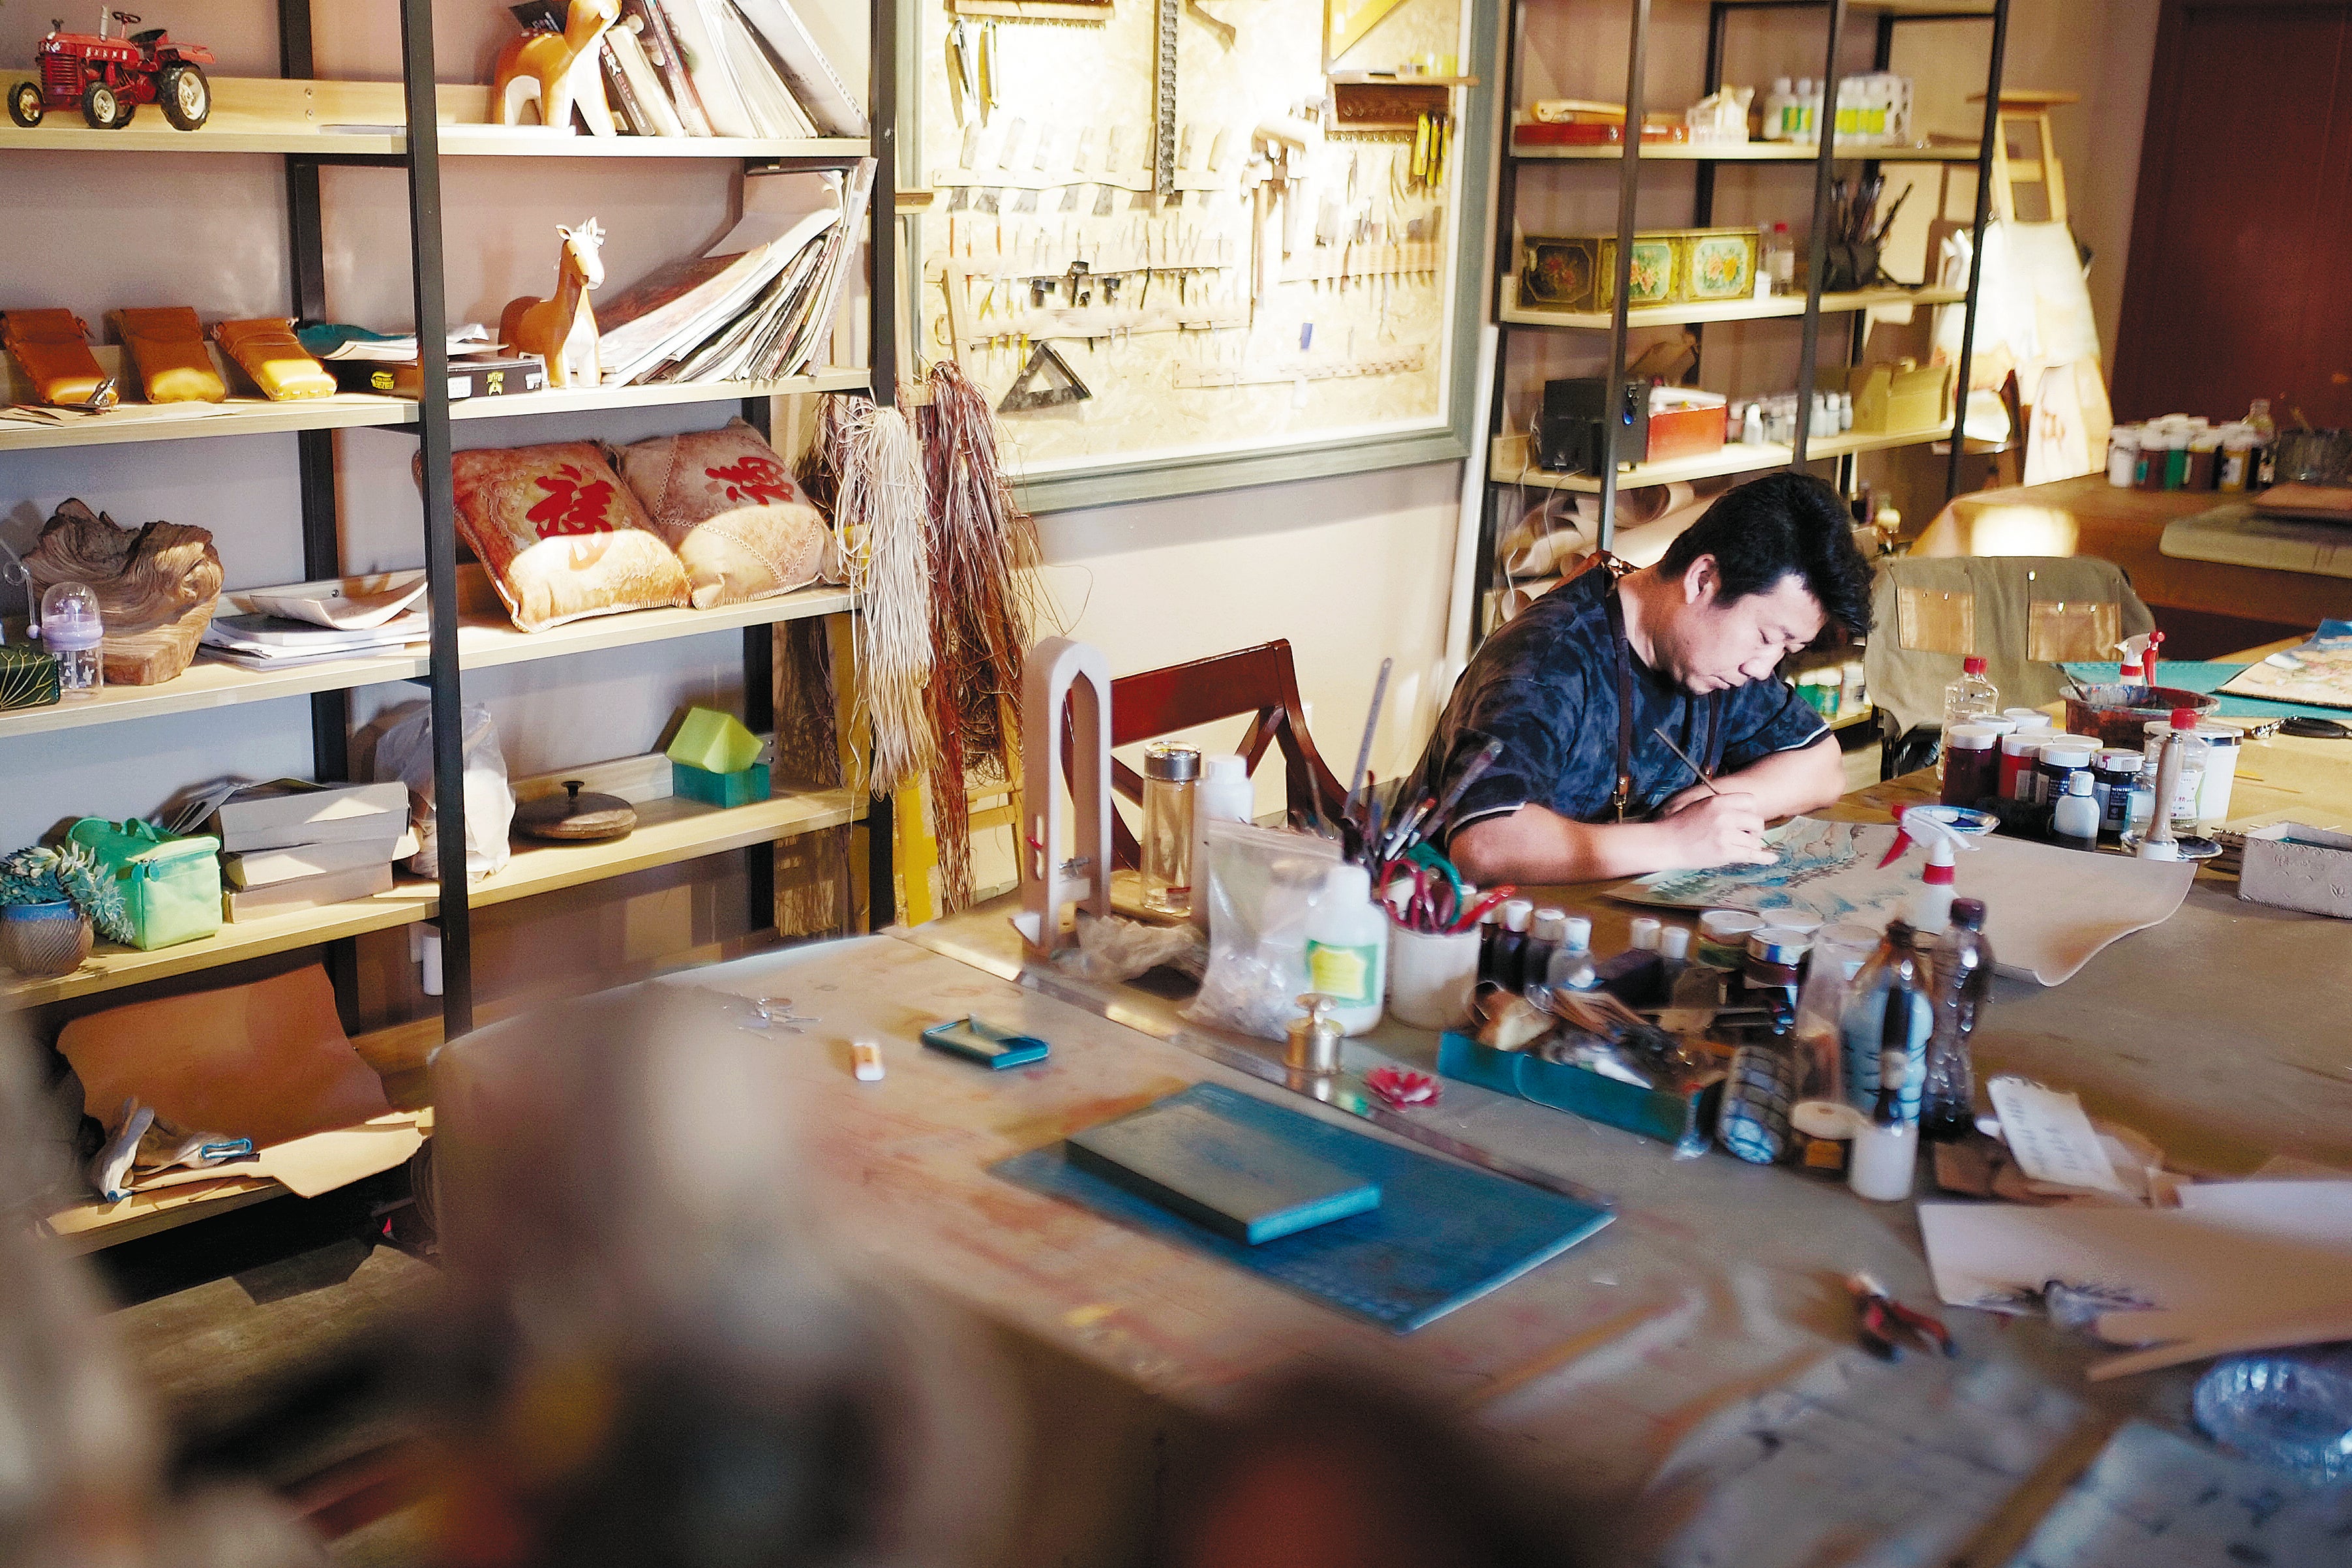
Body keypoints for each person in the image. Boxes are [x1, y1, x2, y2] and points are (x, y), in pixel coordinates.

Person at [1417, 472, 1873, 884]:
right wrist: (1674, 842)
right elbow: (1484, 843)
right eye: (1765, 636)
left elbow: (1822, 764)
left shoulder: (1716, 662)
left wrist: (1720, 804)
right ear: (1703, 580)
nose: (1762, 668)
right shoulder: (1550, 659)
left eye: (1786, 650)